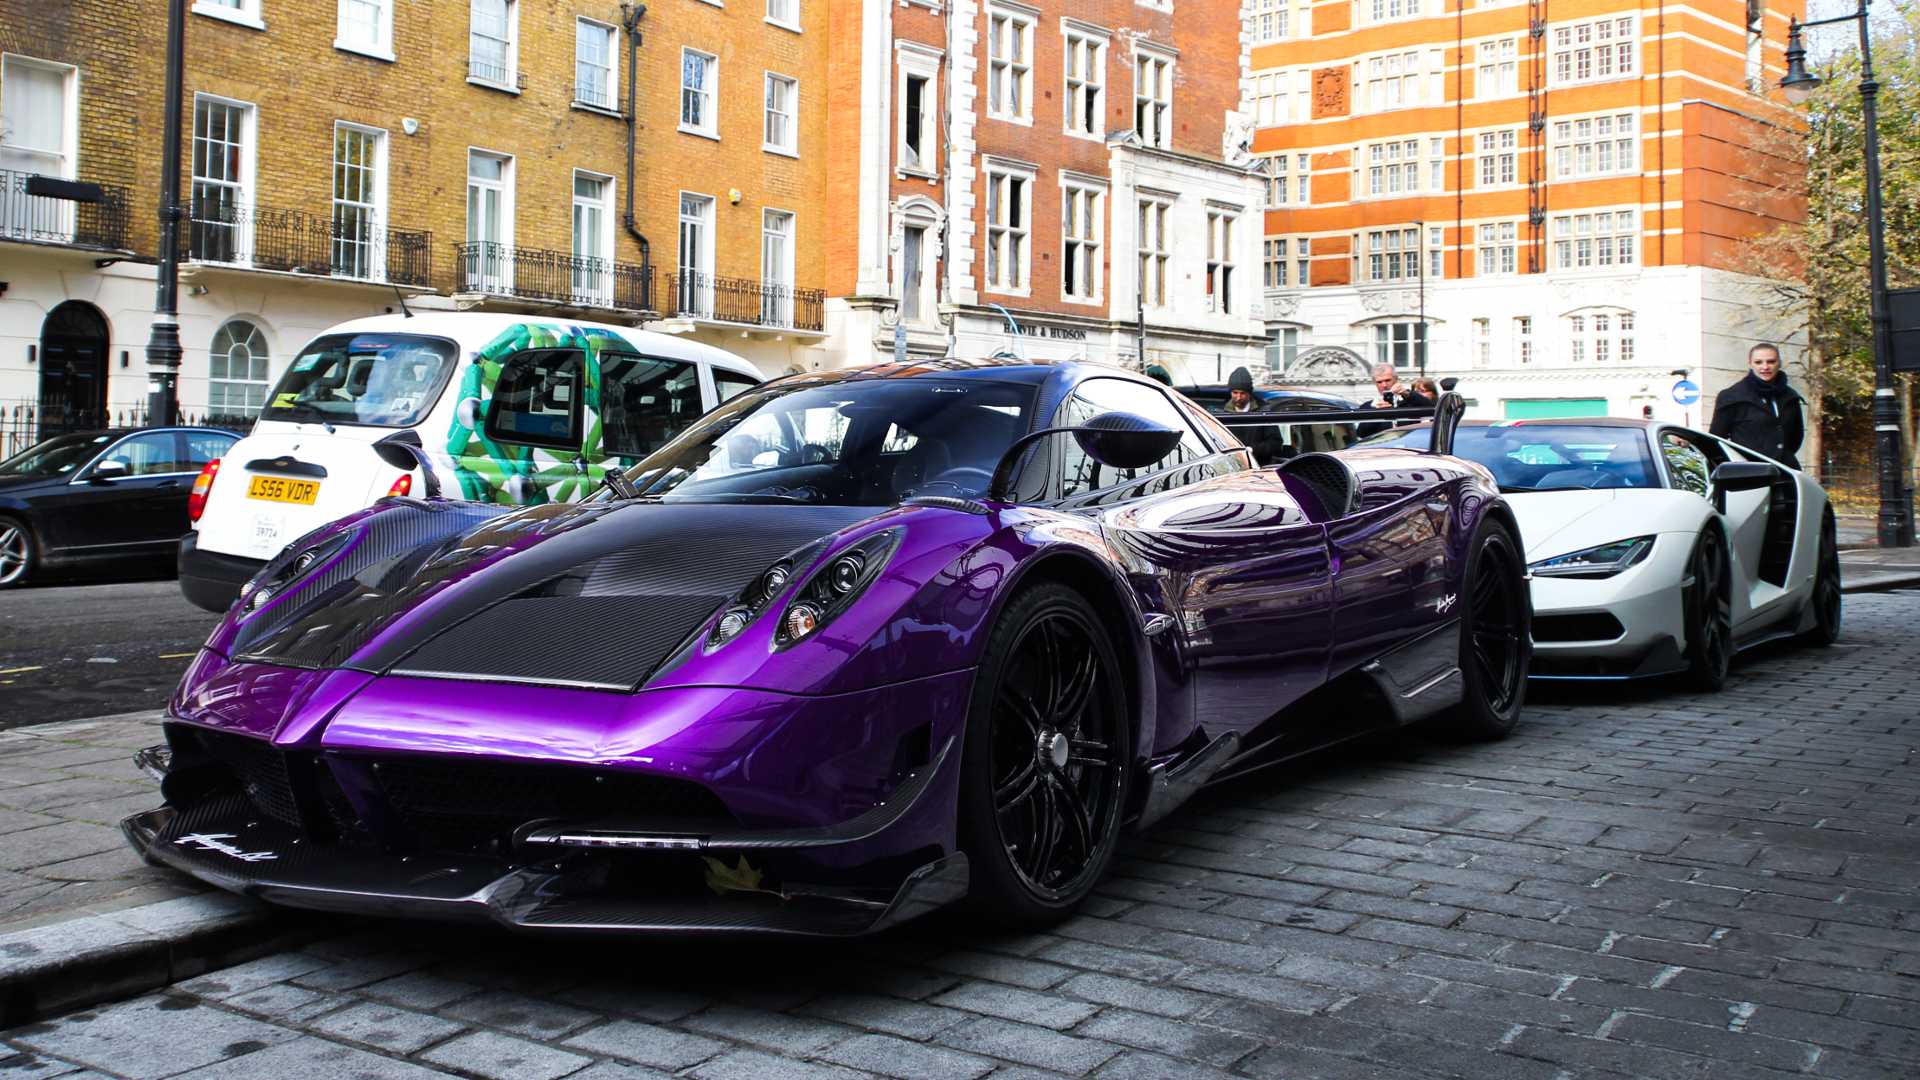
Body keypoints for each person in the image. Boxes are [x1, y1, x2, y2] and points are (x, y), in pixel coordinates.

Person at [1710, 342, 1805, 468]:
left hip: (1786, 471)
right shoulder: (1731, 396)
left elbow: (1796, 437)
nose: (1765, 367)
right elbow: (1716, 440)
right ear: (1750, 364)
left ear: (1779, 363)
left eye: (1771, 362)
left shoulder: (1790, 396)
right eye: (1758, 362)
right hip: (1749, 472)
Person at [1356, 363, 1434, 437]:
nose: (1384, 385)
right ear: (1375, 383)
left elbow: (1431, 408)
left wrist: (1406, 393)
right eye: (1379, 382)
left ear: (1396, 379)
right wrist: (1377, 412)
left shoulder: (1410, 401)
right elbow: (1362, 433)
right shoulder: (1368, 406)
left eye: (1387, 380)